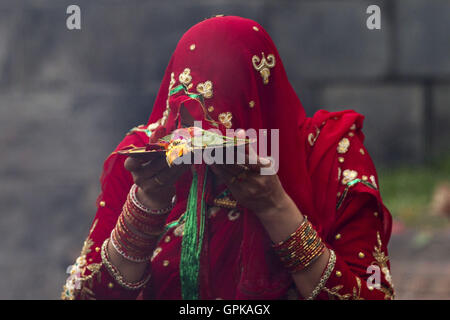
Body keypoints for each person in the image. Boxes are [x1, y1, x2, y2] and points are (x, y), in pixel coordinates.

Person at [62, 16, 394, 300]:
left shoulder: (331, 156)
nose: (205, 148)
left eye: (228, 126)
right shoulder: (143, 160)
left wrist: (274, 206)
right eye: (188, 119)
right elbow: (82, 293)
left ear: (263, 101)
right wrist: (146, 204)